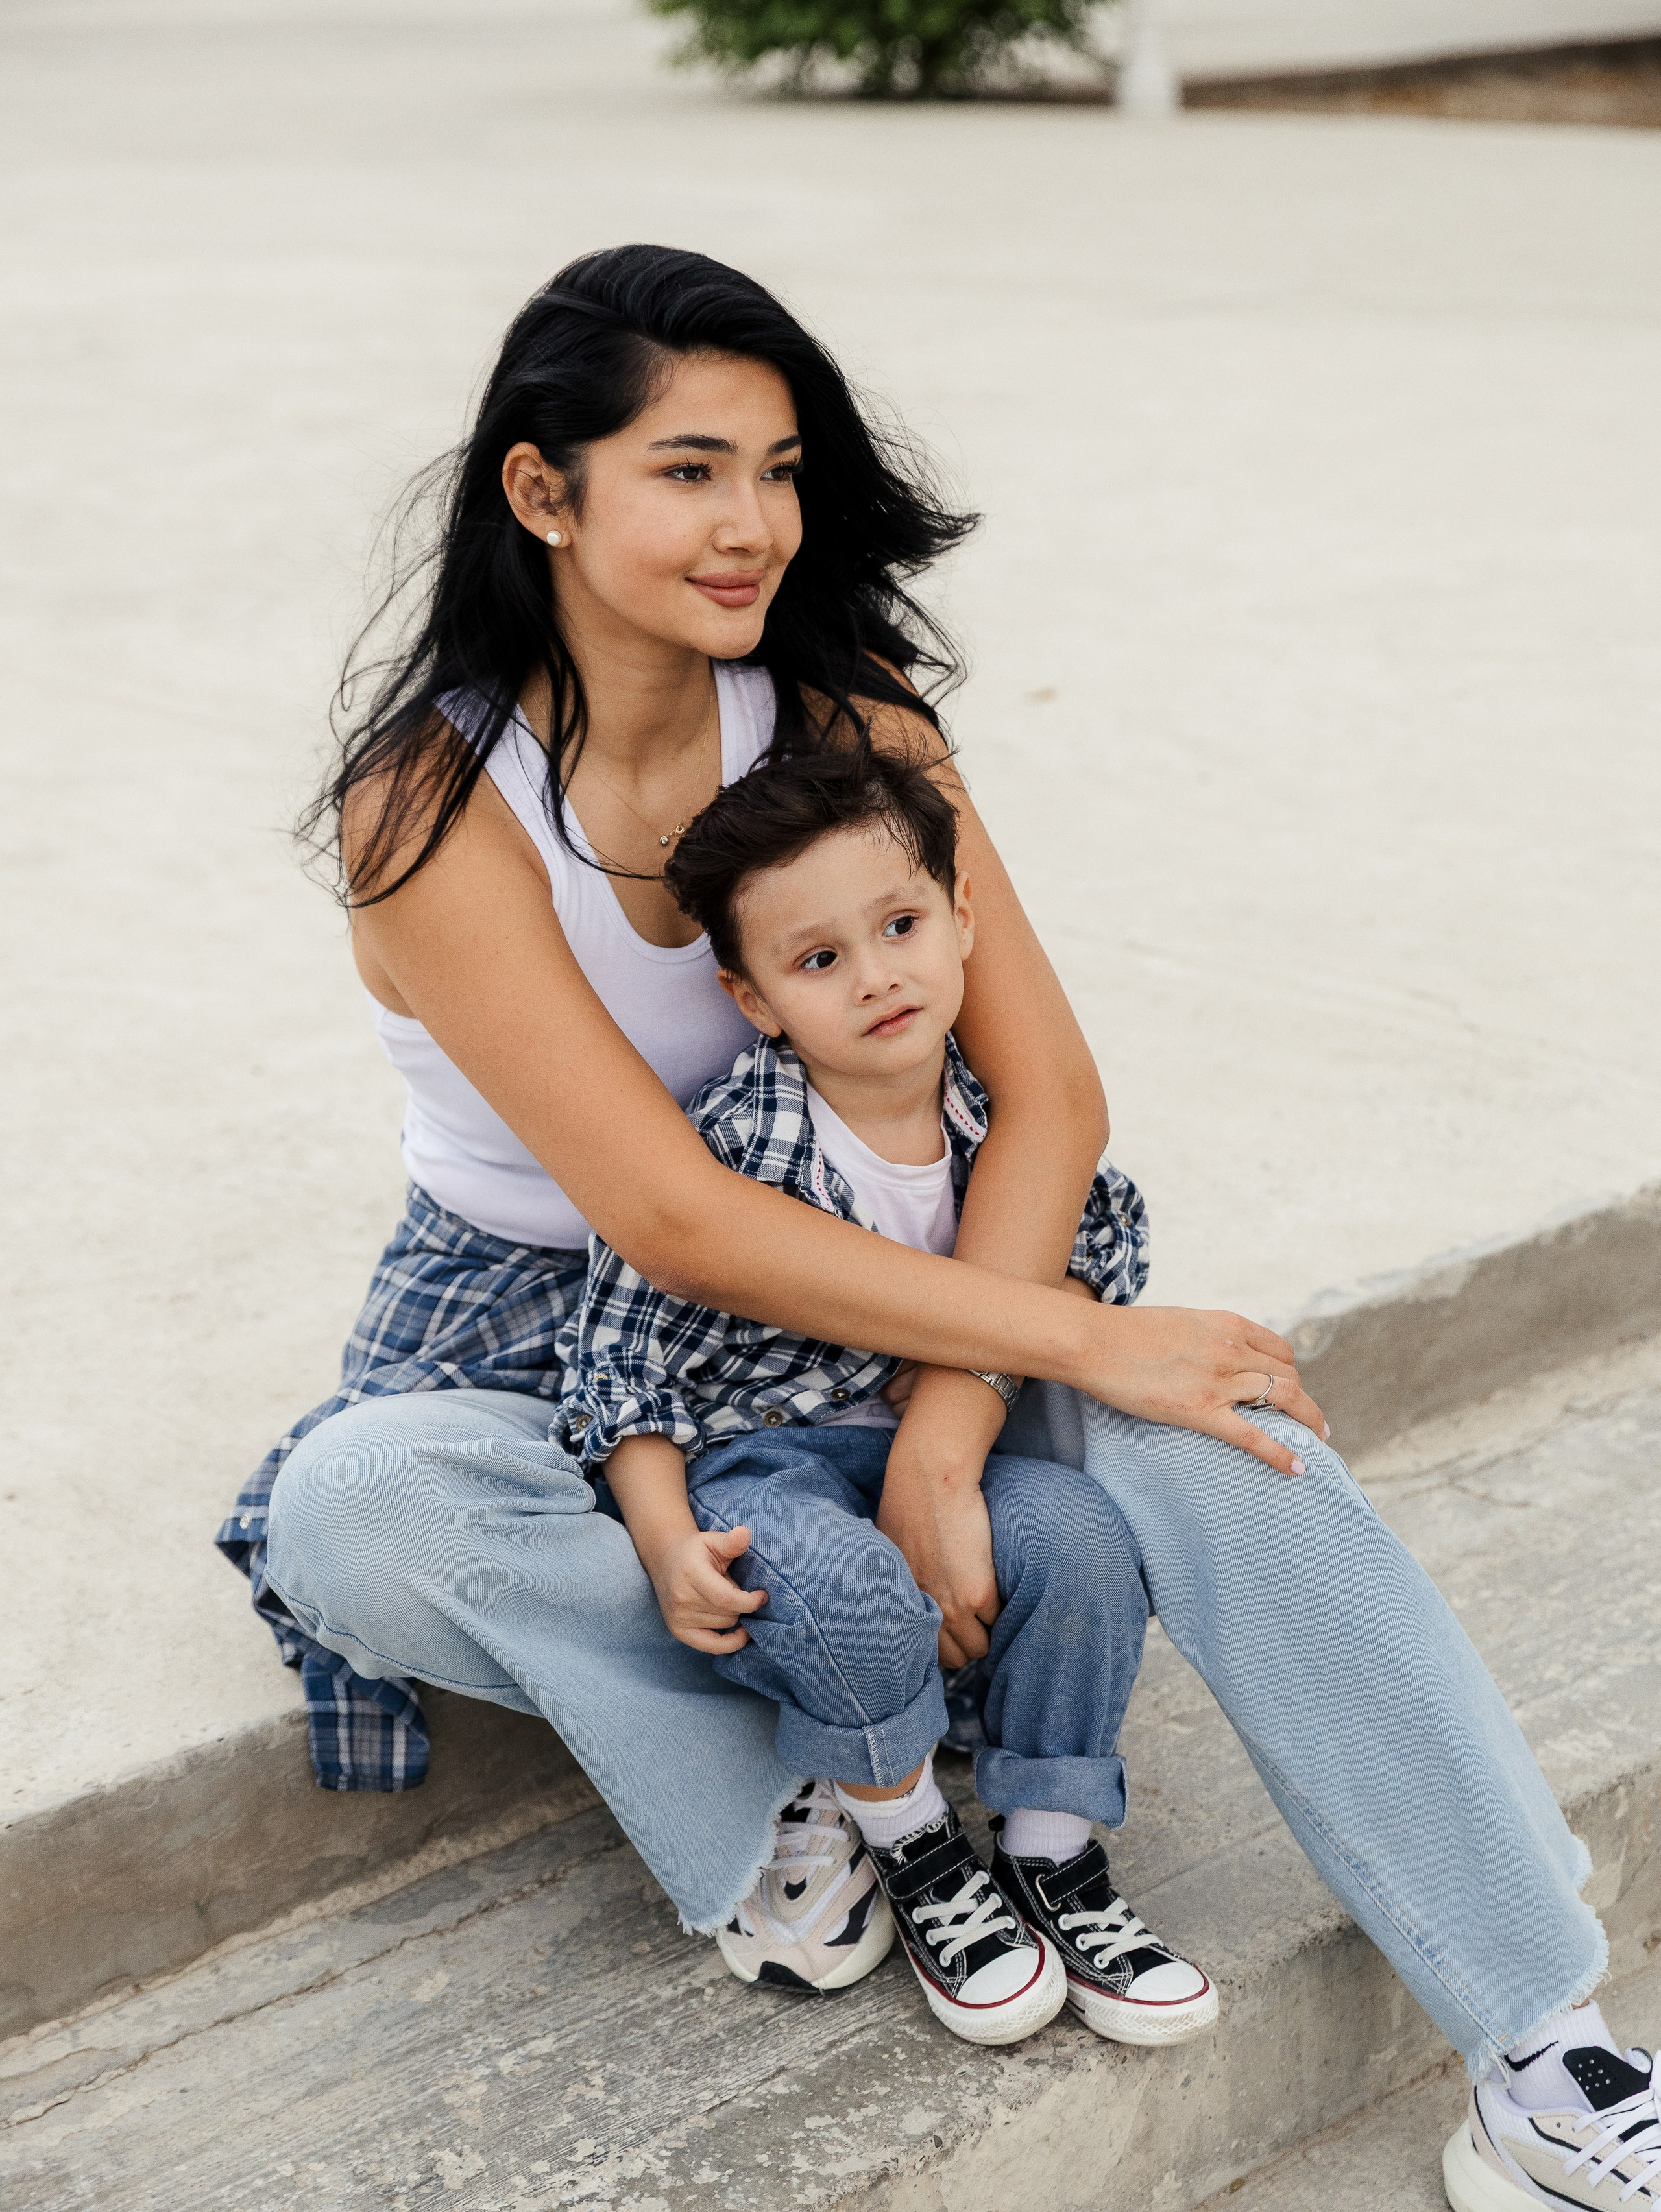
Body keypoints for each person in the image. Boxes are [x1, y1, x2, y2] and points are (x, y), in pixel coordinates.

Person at [226, 244, 1649, 2206]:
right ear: (540, 491)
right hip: (549, 1319)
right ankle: (807, 1799)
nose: (753, 524)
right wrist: (1072, 1338)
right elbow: (669, 1216)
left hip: (891, 1265)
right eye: (690, 470)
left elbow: (1046, 1096)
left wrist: (952, 1431)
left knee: (1222, 1425)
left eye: (780, 470)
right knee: (354, 1505)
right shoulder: (433, 801)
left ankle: (1539, 2046)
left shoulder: (843, 715)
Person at [557, 739, 1218, 2047]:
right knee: (842, 1584)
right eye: (818, 960)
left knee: (1083, 1539)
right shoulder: (738, 1140)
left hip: (931, 1441)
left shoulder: (996, 1118)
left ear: (964, 919)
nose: (875, 977)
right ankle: (913, 1843)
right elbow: (618, 1352)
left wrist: (970, 1392)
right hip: (767, 1456)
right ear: (753, 999)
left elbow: (1097, 1248)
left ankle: (1051, 1848)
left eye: (901, 926)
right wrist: (664, 1531)